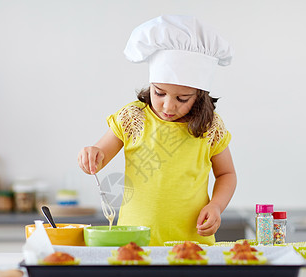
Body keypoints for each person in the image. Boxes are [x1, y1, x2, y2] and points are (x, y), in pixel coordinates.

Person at [78, 15, 237, 246]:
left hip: (192, 243)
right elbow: (100, 156)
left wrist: (216, 205)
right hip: (134, 240)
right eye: (159, 93)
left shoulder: (210, 127)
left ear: (200, 96)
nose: (168, 105)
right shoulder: (133, 117)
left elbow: (227, 175)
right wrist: (91, 154)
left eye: (182, 98)